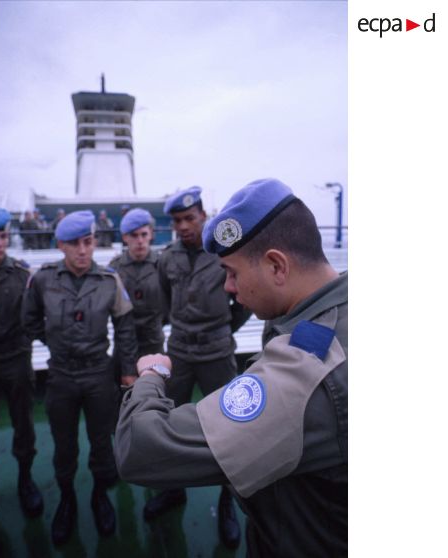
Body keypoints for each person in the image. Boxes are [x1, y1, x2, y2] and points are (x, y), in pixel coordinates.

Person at [114, 178, 348, 557]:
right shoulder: (323, 315)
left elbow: (139, 448)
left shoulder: (307, 369)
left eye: (233, 272)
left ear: (276, 265)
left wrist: (151, 375)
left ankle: (225, 506)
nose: (228, 286)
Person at [143, 186, 252, 549]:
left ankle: (226, 503)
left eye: (190, 218)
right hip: (181, 351)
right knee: (168, 420)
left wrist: (222, 330)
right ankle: (173, 490)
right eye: (177, 221)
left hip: (217, 353)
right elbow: (164, 300)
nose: (184, 226)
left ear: (204, 216)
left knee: (229, 428)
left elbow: (243, 301)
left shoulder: (223, 252)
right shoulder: (167, 258)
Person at [21, 210, 138, 545]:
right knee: (64, 444)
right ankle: (67, 500)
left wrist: (128, 371)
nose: (83, 250)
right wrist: (56, 343)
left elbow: (125, 328)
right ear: (60, 246)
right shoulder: (42, 279)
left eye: (88, 242)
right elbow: (29, 321)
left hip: (98, 374)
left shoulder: (108, 280)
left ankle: (100, 496)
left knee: (102, 442)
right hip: (60, 374)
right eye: (75, 244)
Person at [0, 208, 43, 519]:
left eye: (2, 236)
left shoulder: (22, 274)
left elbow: (35, 314)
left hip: (15, 360)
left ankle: (26, 479)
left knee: (24, 425)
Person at [109, 208, 165, 359]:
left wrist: (156, 323)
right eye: (134, 235)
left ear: (151, 235)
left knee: (155, 382)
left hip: (153, 342)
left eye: (144, 234)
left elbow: (172, 302)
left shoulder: (162, 265)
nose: (140, 241)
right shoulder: (115, 268)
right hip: (124, 345)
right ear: (125, 237)